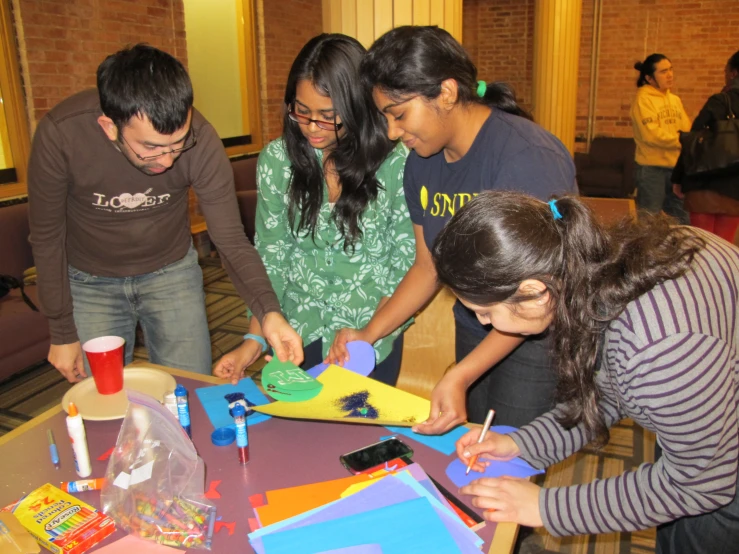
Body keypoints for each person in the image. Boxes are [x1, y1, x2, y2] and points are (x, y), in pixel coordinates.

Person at [435, 192, 739, 554]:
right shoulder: (595, 273)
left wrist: (545, 507)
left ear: (535, 293)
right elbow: (612, 390)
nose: (483, 324)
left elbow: (701, 484)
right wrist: (522, 444)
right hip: (705, 412)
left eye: (484, 311)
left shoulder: (659, 349)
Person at [327, 26, 577, 432]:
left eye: (399, 114)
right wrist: (368, 334)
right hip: (477, 323)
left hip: (534, 335)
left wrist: (460, 374)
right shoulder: (423, 162)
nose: (392, 132)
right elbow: (428, 267)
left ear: (445, 93)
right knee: (472, 448)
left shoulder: (527, 157)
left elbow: (541, 293)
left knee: (509, 457)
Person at [27, 44, 303, 382]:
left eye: (178, 143)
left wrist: (269, 312)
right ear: (109, 127)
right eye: (151, 147)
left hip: (171, 273)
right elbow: (47, 236)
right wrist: (62, 330)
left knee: (189, 389)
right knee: (102, 398)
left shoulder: (201, 138)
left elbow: (230, 238)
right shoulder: (61, 134)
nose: (168, 160)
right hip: (90, 281)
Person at [213, 34, 414, 385]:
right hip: (297, 335)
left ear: (357, 106)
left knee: (359, 436)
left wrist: (368, 333)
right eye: (301, 112)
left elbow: (404, 267)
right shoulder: (278, 160)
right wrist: (253, 340)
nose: (310, 128)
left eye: (327, 116)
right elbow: (272, 258)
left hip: (368, 336)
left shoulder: (397, 163)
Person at [672, 50, 739, 243]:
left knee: (700, 246)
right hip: (735, 188)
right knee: (724, 245)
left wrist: (678, 178)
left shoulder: (719, 101)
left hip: (704, 183)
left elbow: (692, 141)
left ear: (733, 73)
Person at [630, 53, 690, 223]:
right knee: (650, 222)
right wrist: (680, 141)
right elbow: (651, 135)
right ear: (649, 78)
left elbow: (686, 129)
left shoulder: (675, 100)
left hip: (676, 168)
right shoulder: (643, 100)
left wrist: (685, 140)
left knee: (683, 220)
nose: (670, 74)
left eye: (671, 69)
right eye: (663, 71)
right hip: (652, 169)